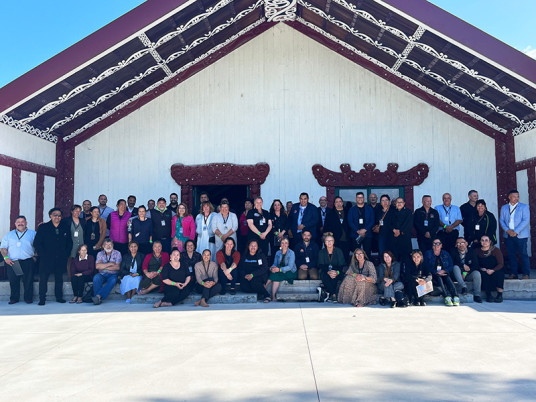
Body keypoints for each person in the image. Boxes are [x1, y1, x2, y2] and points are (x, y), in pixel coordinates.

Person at [34, 208, 72, 305]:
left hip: (60, 258)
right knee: (43, 279)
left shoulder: (65, 227)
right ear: (50, 216)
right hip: (46, 258)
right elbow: (37, 243)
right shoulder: (43, 227)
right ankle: (42, 298)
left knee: (59, 278)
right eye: (55, 215)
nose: (57, 217)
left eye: (59, 215)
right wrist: (42, 255)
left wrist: (66, 254)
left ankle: (59, 297)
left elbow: (69, 242)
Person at [1, 215, 36, 304]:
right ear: (15, 224)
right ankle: (14, 298)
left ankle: (28, 298)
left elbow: (38, 246)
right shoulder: (9, 235)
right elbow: (3, 248)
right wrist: (6, 258)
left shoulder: (33, 233)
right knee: (13, 281)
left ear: (26, 223)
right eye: (18, 222)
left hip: (27, 260)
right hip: (12, 261)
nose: (20, 223)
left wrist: (35, 256)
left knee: (28, 281)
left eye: (22, 222)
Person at [499, 189, 530, 279]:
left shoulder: (524, 207)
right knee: (511, 254)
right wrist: (508, 230)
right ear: (509, 197)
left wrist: (516, 231)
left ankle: (526, 274)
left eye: (518, 196)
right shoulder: (504, 207)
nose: (516, 198)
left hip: (521, 235)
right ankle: (513, 273)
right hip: (508, 235)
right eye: (514, 197)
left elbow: (525, 220)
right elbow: (502, 220)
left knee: (523, 254)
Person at [424, 239, 459, 306]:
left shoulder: (446, 253)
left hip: (444, 273)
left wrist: (444, 270)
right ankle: (446, 297)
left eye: (438, 244)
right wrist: (436, 272)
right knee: (439, 277)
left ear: (441, 245)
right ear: (432, 246)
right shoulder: (428, 253)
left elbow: (451, 266)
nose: (436, 245)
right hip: (433, 274)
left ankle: (455, 296)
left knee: (447, 277)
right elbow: (426, 266)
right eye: (434, 244)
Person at [451, 238, 482, 302]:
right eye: (458, 243)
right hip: (457, 275)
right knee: (455, 267)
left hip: (468, 274)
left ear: (467, 243)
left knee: (477, 273)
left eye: (462, 242)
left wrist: (465, 273)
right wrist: (462, 266)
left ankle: (477, 295)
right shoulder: (453, 251)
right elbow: (452, 263)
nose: (461, 245)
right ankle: (463, 287)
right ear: (456, 245)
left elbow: (476, 265)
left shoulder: (471, 251)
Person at [92, 238, 122, 305]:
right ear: (103, 246)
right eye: (106, 245)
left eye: (110, 245)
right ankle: (98, 298)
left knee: (113, 280)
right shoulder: (99, 254)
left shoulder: (117, 253)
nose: (108, 246)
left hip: (113, 274)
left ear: (113, 245)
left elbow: (117, 267)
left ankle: (98, 296)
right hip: (102, 274)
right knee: (96, 278)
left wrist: (104, 267)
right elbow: (97, 267)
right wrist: (110, 264)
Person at [318, 235, 346, 302]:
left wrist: (336, 272)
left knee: (334, 277)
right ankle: (333, 294)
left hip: (337, 271)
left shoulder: (338, 251)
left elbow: (342, 265)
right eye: (327, 241)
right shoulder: (322, 252)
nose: (329, 242)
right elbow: (321, 265)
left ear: (333, 242)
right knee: (326, 276)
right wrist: (328, 272)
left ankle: (330, 293)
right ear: (325, 242)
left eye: (331, 241)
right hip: (325, 271)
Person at [477, 235, 505, 302]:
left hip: (495, 269)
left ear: (490, 242)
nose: (484, 242)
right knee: (483, 275)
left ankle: (499, 295)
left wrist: (493, 270)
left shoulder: (496, 250)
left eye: (486, 240)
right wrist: (481, 268)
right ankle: (488, 295)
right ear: (480, 242)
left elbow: (501, 263)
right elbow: (475, 263)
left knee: (499, 274)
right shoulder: (477, 251)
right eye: (482, 240)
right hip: (483, 270)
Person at [324, 196, 350, 262]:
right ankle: (337, 271)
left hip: (346, 238)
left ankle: (345, 270)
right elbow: (326, 226)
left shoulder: (348, 212)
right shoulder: (330, 213)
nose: (338, 203)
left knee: (345, 256)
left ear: (342, 203)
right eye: (336, 202)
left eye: (340, 202)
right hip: (335, 239)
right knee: (336, 256)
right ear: (334, 204)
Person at [348, 192, 374, 256]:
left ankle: (367, 265)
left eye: (361, 197)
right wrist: (358, 231)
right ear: (356, 199)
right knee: (356, 253)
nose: (360, 199)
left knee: (367, 253)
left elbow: (372, 221)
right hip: (355, 234)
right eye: (358, 197)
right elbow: (350, 221)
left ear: (364, 198)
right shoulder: (351, 209)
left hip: (367, 234)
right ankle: (356, 265)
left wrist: (365, 230)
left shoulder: (370, 209)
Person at [65, 204, 86, 277]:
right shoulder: (66, 221)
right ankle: (70, 276)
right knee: (70, 261)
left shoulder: (83, 221)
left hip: (81, 243)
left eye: (79, 211)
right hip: (71, 244)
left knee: (81, 260)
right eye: (76, 211)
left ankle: (79, 276)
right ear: (71, 212)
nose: (78, 213)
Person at [372, 194, 395, 261]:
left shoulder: (393, 211)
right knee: (382, 251)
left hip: (391, 235)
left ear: (389, 201)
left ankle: (391, 268)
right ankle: (382, 266)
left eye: (386, 200)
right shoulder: (378, 211)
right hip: (381, 235)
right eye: (383, 200)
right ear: (380, 202)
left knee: (391, 252)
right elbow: (375, 221)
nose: (385, 202)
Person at [392, 198, 413, 266]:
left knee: (406, 258)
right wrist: (393, 230)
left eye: (401, 202)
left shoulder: (408, 212)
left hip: (405, 238)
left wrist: (400, 231)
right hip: (395, 238)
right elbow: (389, 223)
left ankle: (406, 275)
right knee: (396, 257)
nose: (399, 204)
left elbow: (408, 224)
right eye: (398, 202)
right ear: (395, 204)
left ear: (404, 203)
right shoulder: (392, 212)